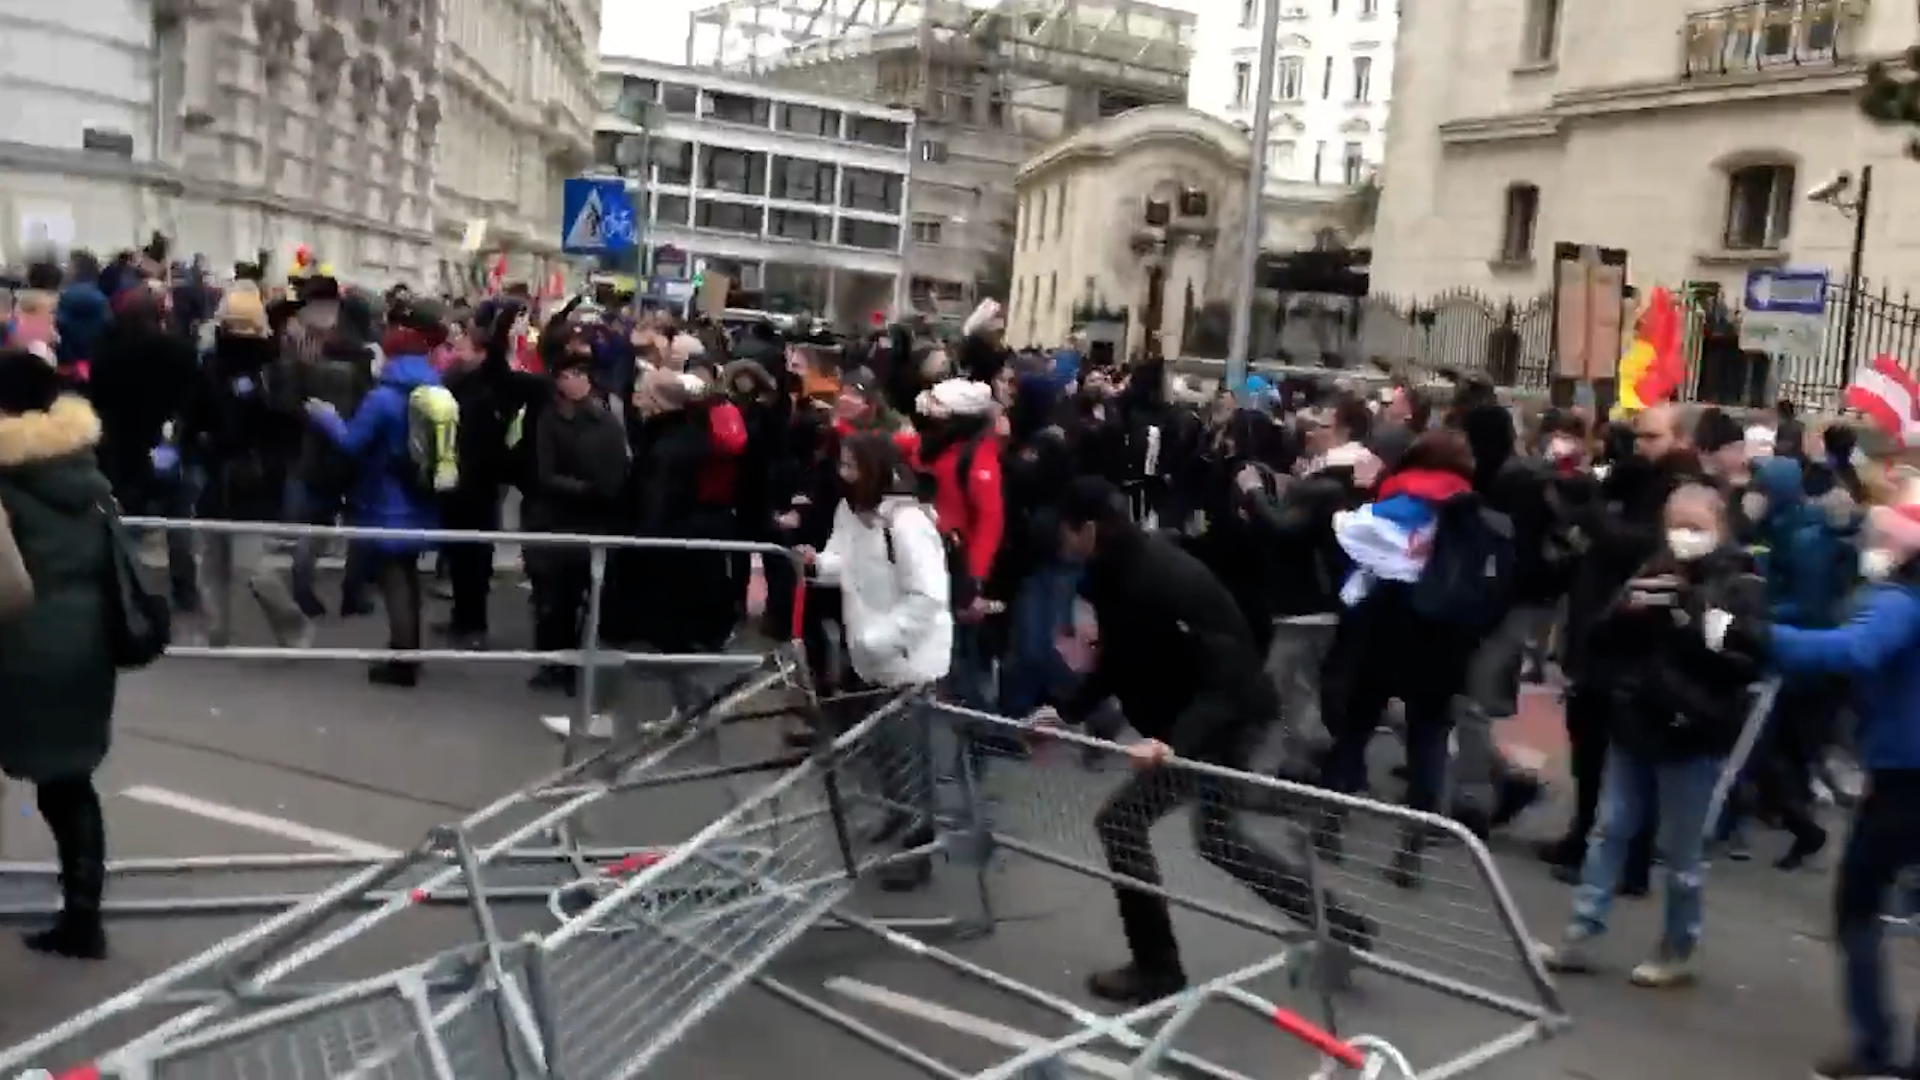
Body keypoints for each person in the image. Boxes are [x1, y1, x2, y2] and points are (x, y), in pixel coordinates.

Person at [1042, 476, 1375, 1005]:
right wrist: (1065, 711)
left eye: (1064, 529)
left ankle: (1158, 967)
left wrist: (1173, 744)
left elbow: (1228, 670)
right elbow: (1119, 657)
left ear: (1088, 529)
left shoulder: (1157, 574)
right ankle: (1343, 924)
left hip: (1226, 719)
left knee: (1121, 823)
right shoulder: (1112, 572)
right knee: (1220, 840)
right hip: (1207, 718)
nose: (1058, 540)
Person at [1712, 481, 1920, 1080]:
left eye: (1882, 536)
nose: (1871, 546)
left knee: (1859, 909)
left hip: (1904, 780)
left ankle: (1875, 1046)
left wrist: (1756, 635)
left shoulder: (1901, 601)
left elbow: (1851, 652)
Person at [1538, 483, 1764, 987]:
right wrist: (1626, 615)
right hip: (1637, 717)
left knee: (1682, 850)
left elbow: (1743, 659)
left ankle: (1678, 946)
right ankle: (1581, 932)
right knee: (1609, 829)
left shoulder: (1740, 582)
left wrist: (1686, 619)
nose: (1683, 536)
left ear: (1718, 525)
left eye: (1695, 526)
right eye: (1675, 524)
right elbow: (1602, 634)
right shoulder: (1653, 567)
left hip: (1692, 727)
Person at [0, 347, 119, 959]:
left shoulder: (6, 475)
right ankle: (83, 918)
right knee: (69, 783)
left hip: (15, 643)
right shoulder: (83, 468)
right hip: (85, 641)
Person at [800, 432, 952, 889]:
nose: (842, 474)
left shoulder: (906, 525)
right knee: (885, 751)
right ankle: (897, 817)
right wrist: (815, 565)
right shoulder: (851, 512)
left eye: (851, 466)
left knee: (908, 755)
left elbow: (927, 597)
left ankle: (918, 848)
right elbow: (841, 558)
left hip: (905, 658)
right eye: (841, 464)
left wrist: (877, 638)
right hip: (871, 654)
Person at [303, 299, 447, 687]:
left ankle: (403, 659)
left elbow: (352, 443)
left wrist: (328, 420)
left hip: (386, 498)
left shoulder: (384, 397)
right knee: (409, 575)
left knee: (394, 578)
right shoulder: (434, 389)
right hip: (419, 494)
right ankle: (409, 650)